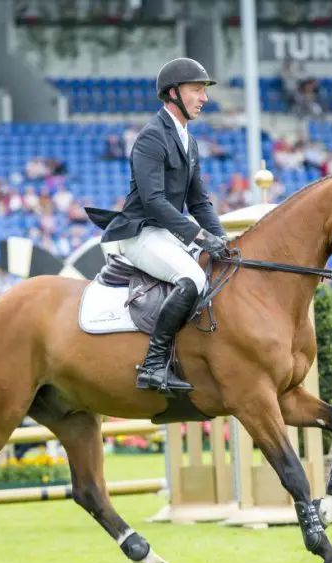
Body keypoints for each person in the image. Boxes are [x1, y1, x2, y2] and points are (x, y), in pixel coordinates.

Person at [86, 58, 229, 393]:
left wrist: (222, 238)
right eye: (197, 90)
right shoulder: (151, 137)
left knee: (218, 268)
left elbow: (199, 202)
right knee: (192, 278)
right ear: (173, 93)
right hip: (141, 233)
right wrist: (198, 235)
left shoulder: (188, 141)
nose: (203, 98)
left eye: (203, 91)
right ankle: (152, 364)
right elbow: (154, 201)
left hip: (166, 233)